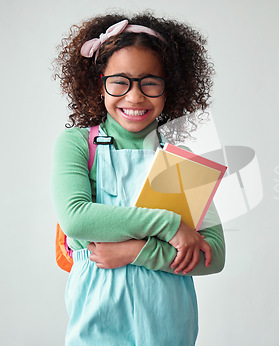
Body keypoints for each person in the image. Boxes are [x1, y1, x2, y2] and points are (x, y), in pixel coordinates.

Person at [51, 12, 225, 345]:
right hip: (97, 325)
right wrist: (170, 226)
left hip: (170, 326)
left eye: (150, 82)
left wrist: (138, 252)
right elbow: (76, 219)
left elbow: (213, 254)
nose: (134, 97)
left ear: (168, 88)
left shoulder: (179, 157)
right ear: (99, 83)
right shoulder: (76, 144)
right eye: (120, 81)